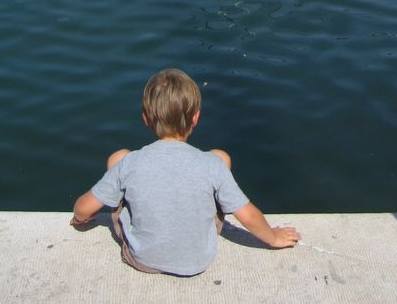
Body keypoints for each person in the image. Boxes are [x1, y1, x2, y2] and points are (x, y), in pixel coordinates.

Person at [71, 68, 301, 276]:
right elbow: (248, 216)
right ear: (195, 118)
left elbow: (83, 208)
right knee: (221, 157)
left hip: (142, 259)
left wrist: (81, 219)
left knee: (117, 158)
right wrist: (273, 238)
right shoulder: (210, 165)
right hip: (198, 261)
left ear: (145, 120)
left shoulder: (130, 163)